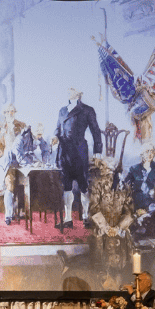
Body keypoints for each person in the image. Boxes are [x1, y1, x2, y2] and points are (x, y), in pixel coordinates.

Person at [55, 88, 102, 228]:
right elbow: (57, 129)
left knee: (83, 185)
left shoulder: (87, 110)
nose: (69, 91)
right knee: (67, 186)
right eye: (68, 89)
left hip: (79, 151)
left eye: (73, 89)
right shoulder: (62, 110)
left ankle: (86, 217)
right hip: (64, 152)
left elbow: (95, 130)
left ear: (79, 93)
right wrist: (54, 137)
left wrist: (97, 152)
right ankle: (68, 218)